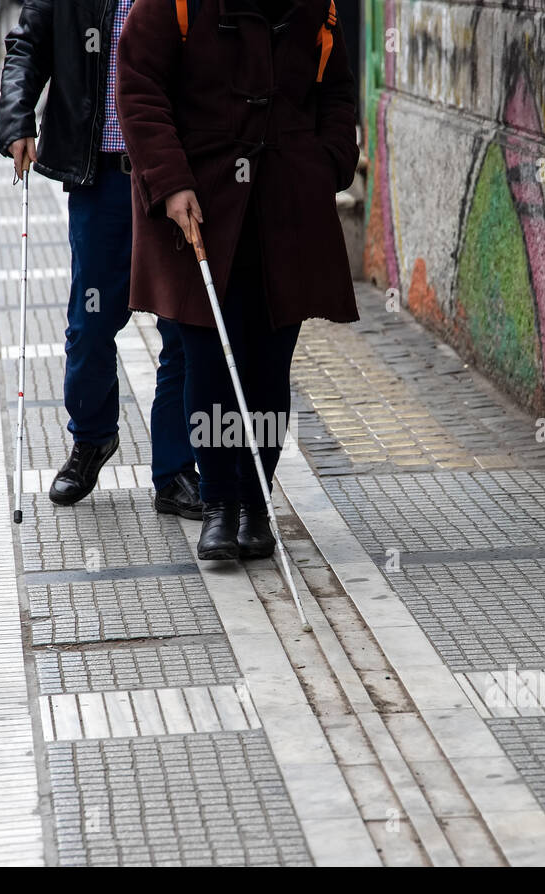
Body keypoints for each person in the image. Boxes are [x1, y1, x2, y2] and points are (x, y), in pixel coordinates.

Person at [117, 0, 360, 560]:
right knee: (208, 365)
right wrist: (171, 181)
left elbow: (337, 92)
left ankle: (257, 504)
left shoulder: (316, 7)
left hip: (286, 212)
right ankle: (220, 504)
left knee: (268, 367)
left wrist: (325, 163)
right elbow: (139, 86)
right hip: (201, 209)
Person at [0, 0, 202, 518]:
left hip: (171, 177)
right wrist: (17, 117)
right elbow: (27, 45)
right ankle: (91, 439)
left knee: (181, 328)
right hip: (101, 178)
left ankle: (174, 470)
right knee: (89, 325)